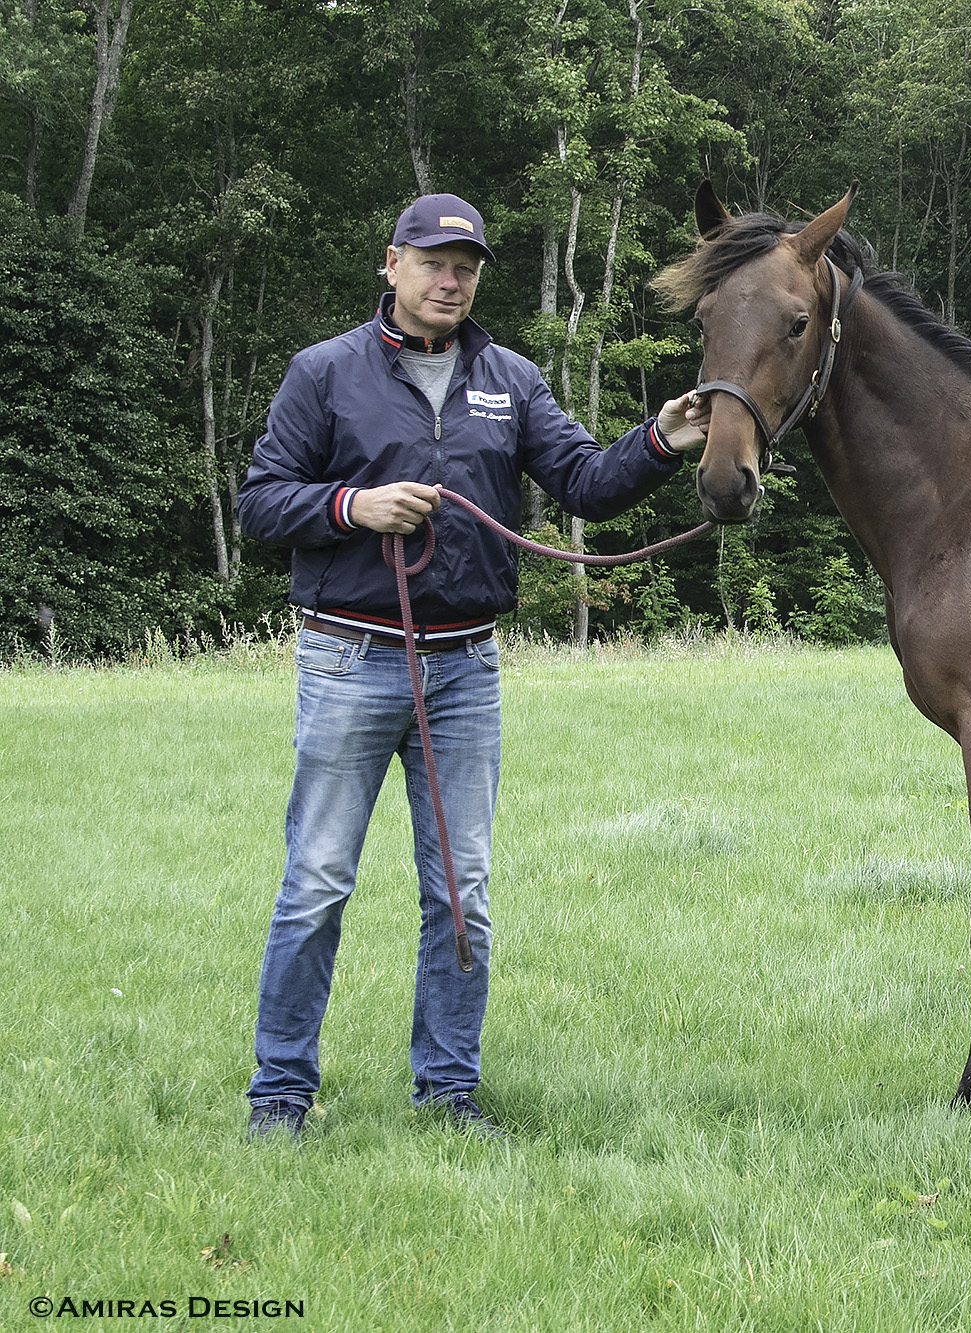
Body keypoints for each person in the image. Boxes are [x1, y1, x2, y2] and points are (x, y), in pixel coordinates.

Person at [237, 193, 708, 1142]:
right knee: (318, 881)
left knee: (460, 892)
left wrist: (660, 441)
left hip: (464, 670)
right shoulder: (324, 372)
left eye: (466, 265)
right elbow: (259, 505)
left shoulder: (512, 378)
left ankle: (449, 1096)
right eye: (433, 261)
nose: (450, 279)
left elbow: (583, 483)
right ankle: (280, 1097)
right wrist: (350, 509)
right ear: (393, 264)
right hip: (348, 656)